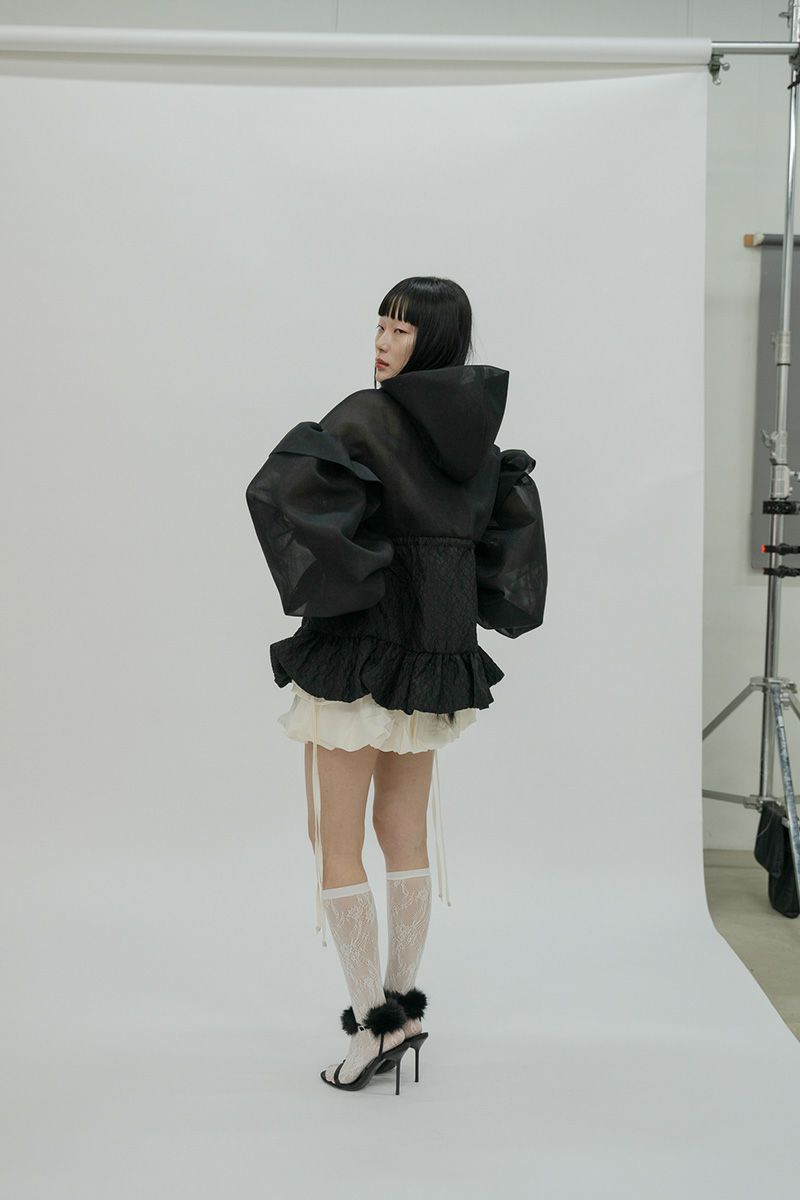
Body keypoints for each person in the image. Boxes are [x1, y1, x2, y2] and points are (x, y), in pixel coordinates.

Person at [245, 276, 547, 1091]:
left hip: (359, 653)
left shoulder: (364, 417)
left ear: (433, 341)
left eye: (401, 330)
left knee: (335, 839)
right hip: (433, 660)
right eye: (379, 324)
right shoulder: (477, 443)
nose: (381, 342)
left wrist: (365, 570)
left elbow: (284, 492)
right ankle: (405, 1012)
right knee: (406, 834)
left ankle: (370, 1028)